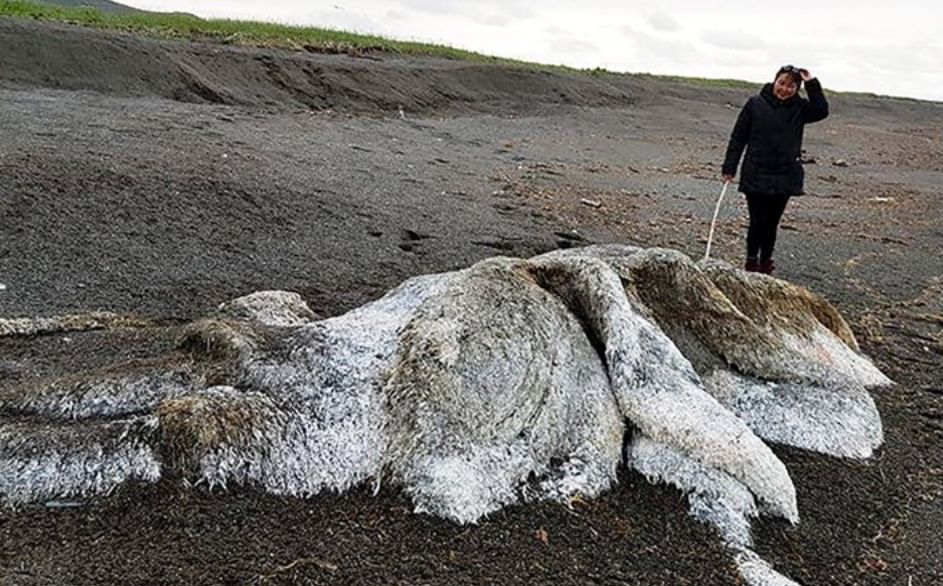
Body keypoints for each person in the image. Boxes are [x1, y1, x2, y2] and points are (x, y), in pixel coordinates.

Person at [721, 65, 829, 274]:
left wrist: (811, 82)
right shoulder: (755, 104)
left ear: (797, 88)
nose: (785, 89)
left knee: (772, 223)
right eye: (782, 83)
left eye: (791, 86)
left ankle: (766, 262)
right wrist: (729, 167)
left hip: (785, 173)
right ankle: (751, 261)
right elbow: (738, 137)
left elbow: (821, 110)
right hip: (756, 171)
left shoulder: (800, 108)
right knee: (757, 221)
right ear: (774, 81)